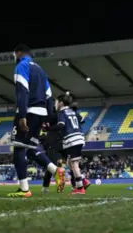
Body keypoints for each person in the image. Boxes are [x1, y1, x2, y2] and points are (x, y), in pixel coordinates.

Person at [7, 44, 65, 198]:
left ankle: (24, 189)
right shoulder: (41, 70)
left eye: (14, 55)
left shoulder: (22, 66)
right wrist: (47, 119)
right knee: (32, 150)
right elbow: (49, 96)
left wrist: (23, 114)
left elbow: (22, 90)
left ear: (18, 53)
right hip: (41, 114)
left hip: (29, 112)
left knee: (19, 148)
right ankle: (55, 170)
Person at [47, 94, 87, 194]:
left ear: (61, 103)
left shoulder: (62, 112)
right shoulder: (72, 111)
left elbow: (61, 126)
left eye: (56, 102)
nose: (55, 104)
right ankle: (83, 181)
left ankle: (80, 187)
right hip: (79, 137)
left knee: (74, 164)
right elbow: (82, 120)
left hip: (72, 139)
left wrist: (48, 128)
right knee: (70, 163)